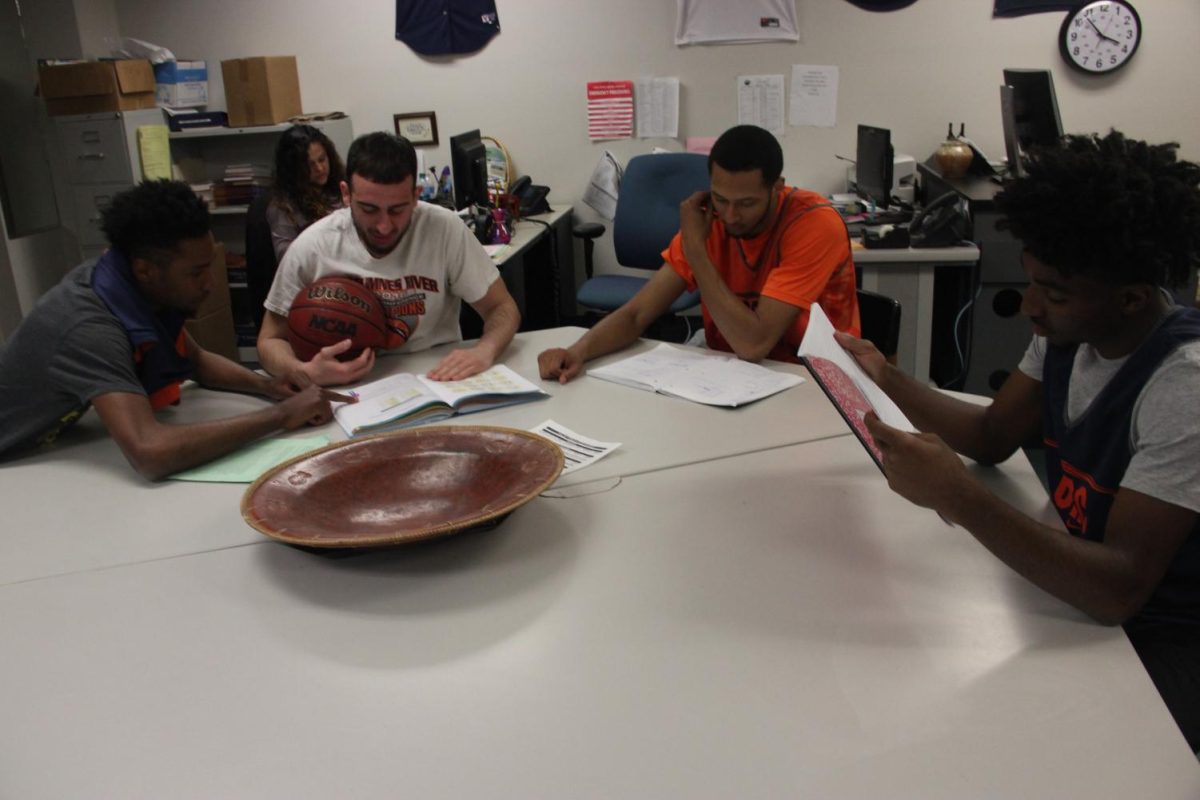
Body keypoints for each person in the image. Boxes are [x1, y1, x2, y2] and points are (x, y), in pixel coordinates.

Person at [839, 131, 1200, 752]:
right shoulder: (1071, 331)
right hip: (1077, 593)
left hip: (1164, 635)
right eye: (1033, 281)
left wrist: (959, 499)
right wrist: (886, 375)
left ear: (1132, 299)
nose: (1031, 306)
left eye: (1054, 293)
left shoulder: (1183, 384)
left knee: (994, 745)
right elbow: (991, 436)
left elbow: (1118, 591)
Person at [0, 180, 347, 480]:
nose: (209, 284)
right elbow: (150, 451)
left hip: (47, 445)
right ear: (146, 269)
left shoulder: (129, 285)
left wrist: (268, 386)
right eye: (195, 273)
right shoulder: (89, 326)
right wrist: (282, 415)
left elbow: (194, 359)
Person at [538, 124, 859, 383]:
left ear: (777, 188)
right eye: (721, 199)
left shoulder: (813, 224)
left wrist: (696, 250)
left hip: (814, 380)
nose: (731, 216)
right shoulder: (710, 220)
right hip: (732, 377)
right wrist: (579, 350)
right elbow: (637, 314)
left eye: (747, 203)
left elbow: (753, 344)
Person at [257, 132, 521, 386]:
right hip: (345, 385)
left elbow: (501, 307)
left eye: (397, 210)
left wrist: (484, 350)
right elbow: (269, 341)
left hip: (437, 377)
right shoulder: (312, 246)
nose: (384, 226)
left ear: (416, 196)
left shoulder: (444, 229)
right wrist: (305, 372)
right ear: (346, 194)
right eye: (369, 209)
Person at [266, 124, 345, 261]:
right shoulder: (283, 207)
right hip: (317, 274)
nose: (320, 168)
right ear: (294, 169)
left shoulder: (342, 187)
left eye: (322, 159)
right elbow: (287, 259)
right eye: (310, 165)